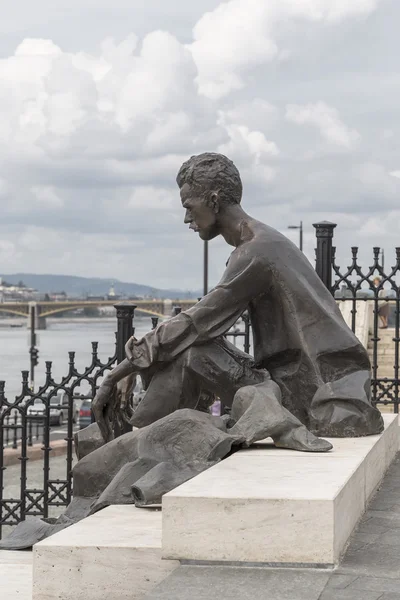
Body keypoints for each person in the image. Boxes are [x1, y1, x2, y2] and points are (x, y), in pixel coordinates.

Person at [93, 152, 383, 448]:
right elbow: (198, 324)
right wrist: (136, 364)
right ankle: (138, 440)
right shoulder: (265, 242)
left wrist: (120, 371)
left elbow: (197, 321)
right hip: (318, 388)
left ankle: (133, 444)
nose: (186, 218)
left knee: (191, 352)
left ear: (214, 201)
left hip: (315, 399)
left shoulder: (255, 253)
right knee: (190, 347)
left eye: (189, 206)